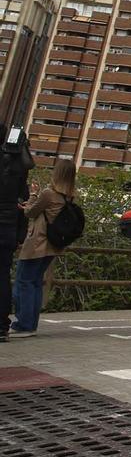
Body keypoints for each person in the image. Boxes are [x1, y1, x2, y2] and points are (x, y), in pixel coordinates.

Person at [10, 158, 76, 338]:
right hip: (52, 246)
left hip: (37, 244)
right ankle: (31, 324)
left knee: (23, 283)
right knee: (36, 283)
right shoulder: (68, 196)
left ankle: (24, 324)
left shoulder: (49, 193)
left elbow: (31, 212)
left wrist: (32, 196)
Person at [0, 126, 34, 342]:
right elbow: (24, 198)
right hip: (9, 227)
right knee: (3, 275)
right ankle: (2, 325)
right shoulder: (17, 164)